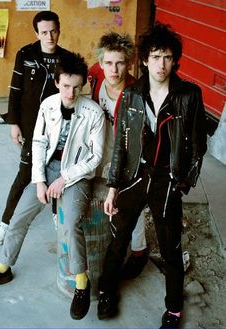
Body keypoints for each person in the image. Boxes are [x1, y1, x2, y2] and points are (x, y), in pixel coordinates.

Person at [97, 22, 207, 328]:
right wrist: (112, 187)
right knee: (118, 238)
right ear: (144, 59)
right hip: (135, 175)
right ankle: (106, 291)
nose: (161, 64)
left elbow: (199, 146)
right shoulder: (132, 95)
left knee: (170, 246)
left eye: (168, 57)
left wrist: (182, 183)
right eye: (156, 56)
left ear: (175, 61)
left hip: (167, 180)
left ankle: (173, 309)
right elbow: (121, 144)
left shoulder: (189, 96)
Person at [0, 53, 105, 321]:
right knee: (19, 217)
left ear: (83, 85)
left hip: (75, 174)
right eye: (65, 85)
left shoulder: (93, 112)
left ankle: (81, 284)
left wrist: (65, 179)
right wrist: (40, 180)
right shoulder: (48, 105)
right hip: (47, 170)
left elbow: (95, 157)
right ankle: (3, 267)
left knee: (71, 223)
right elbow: (39, 143)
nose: (70, 92)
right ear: (56, 82)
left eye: (76, 87)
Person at [0, 11, 71, 245]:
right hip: (29, 126)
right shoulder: (25, 54)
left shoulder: (66, 58)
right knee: (25, 174)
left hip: (56, 128)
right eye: (44, 32)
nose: (49, 36)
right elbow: (15, 90)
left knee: (56, 171)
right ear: (36, 33)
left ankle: (58, 215)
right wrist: (14, 123)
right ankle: (5, 222)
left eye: (53, 31)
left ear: (59, 29)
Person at [88, 31, 148, 279]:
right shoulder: (96, 75)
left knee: (130, 201)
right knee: (94, 190)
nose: (114, 69)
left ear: (130, 63)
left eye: (120, 62)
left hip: (127, 151)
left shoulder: (137, 92)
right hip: (101, 145)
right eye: (109, 63)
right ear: (102, 63)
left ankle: (138, 250)